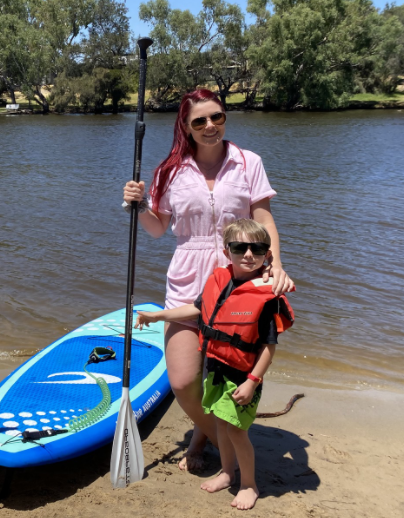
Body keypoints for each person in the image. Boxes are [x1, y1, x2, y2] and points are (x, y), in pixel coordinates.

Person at [123, 88, 294, 472]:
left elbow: (264, 220)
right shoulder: (170, 170)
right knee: (183, 380)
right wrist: (140, 206)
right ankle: (228, 443)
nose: (209, 126)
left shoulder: (248, 162)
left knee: (223, 371)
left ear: (225, 118)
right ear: (185, 126)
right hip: (188, 276)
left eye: (216, 117)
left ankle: (203, 443)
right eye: (199, 120)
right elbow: (156, 229)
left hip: (238, 276)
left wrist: (276, 264)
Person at [135, 219, 293, 510]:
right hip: (216, 368)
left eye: (257, 248)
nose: (248, 254)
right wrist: (159, 316)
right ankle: (226, 472)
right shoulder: (219, 279)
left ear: (267, 255)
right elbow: (198, 308)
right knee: (219, 424)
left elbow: (269, 347)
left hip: (242, 376)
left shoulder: (267, 295)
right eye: (239, 247)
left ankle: (249, 484)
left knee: (236, 431)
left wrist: (252, 381)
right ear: (226, 250)